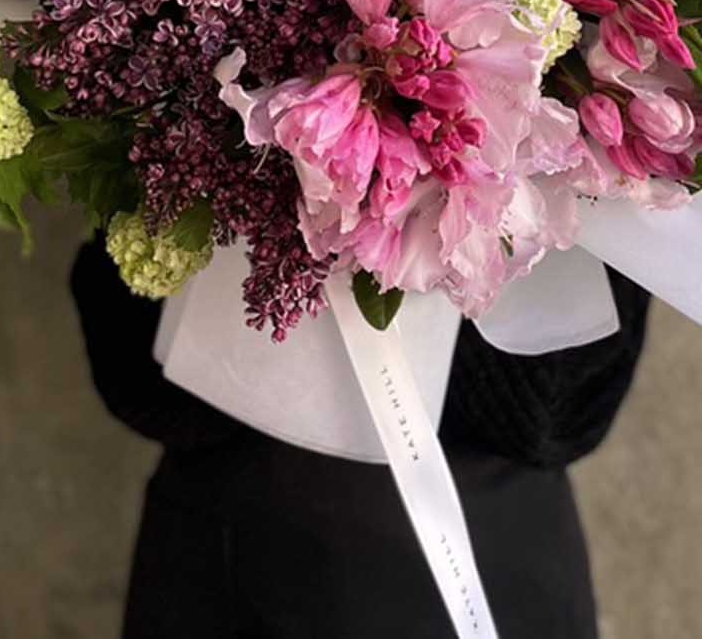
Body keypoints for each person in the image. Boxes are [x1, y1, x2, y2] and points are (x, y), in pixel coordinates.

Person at [70, 243, 652, 638]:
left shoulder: (583, 117)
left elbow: (558, 411)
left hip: (480, 558)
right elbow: (141, 371)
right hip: (235, 549)